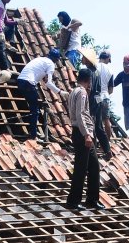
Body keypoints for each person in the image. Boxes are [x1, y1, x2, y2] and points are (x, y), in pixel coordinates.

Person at [65, 68, 101, 211]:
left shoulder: (74, 91)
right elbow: (80, 114)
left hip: (81, 132)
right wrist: (86, 134)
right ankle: (73, 201)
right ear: (88, 80)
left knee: (94, 166)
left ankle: (92, 199)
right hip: (82, 133)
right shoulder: (82, 92)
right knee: (81, 168)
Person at [17, 50, 65, 140]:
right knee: (35, 111)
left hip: (20, 80)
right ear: (56, 59)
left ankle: (33, 131)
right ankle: (33, 135)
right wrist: (60, 92)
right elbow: (48, 83)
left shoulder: (40, 59)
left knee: (32, 106)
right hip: (28, 83)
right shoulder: (51, 64)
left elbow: (41, 75)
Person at [93, 50, 115, 159]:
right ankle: (107, 143)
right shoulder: (110, 70)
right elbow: (111, 90)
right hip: (106, 96)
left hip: (96, 97)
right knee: (106, 119)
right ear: (107, 58)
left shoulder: (94, 66)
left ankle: (96, 142)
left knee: (95, 120)